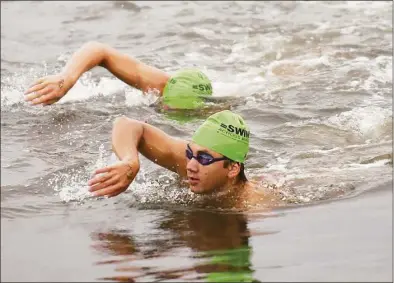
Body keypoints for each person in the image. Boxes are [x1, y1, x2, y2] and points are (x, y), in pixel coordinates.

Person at [87, 109, 280, 208]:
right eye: (190, 153)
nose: (190, 166)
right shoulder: (188, 161)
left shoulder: (253, 206)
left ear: (233, 169)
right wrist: (130, 162)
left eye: (204, 158)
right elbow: (126, 124)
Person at [24, 41, 213, 110]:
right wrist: (66, 79)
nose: (167, 107)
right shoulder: (161, 85)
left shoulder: (212, 114)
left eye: (179, 109)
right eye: (168, 102)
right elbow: (99, 50)